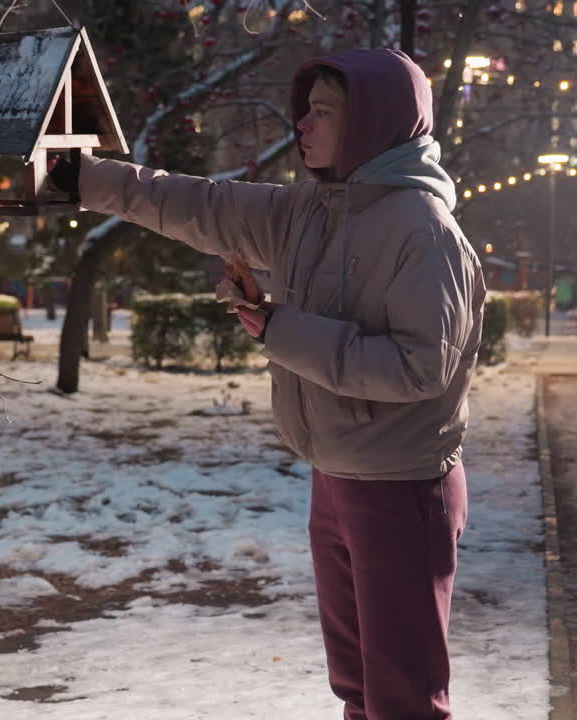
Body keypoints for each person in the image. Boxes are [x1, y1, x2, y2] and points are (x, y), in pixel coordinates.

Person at [51, 49, 484, 719]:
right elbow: (198, 203)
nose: (302, 125)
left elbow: (417, 368)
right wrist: (81, 178)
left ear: (373, 122)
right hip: (334, 479)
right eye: (306, 109)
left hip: (403, 489)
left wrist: (279, 328)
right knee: (359, 690)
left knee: (404, 700)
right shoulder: (306, 210)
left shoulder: (426, 235)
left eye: (323, 111)